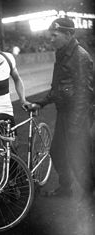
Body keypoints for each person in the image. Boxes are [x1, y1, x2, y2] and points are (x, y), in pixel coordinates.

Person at [33, 17, 94, 200]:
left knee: (79, 157)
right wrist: (41, 103)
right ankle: (65, 188)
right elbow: (58, 88)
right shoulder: (62, 52)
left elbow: (87, 93)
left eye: (54, 35)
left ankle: (90, 192)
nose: (50, 39)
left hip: (78, 115)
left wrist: (76, 125)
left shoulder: (80, 56)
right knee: (58, 152)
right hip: (65, 113)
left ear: (67, 34)